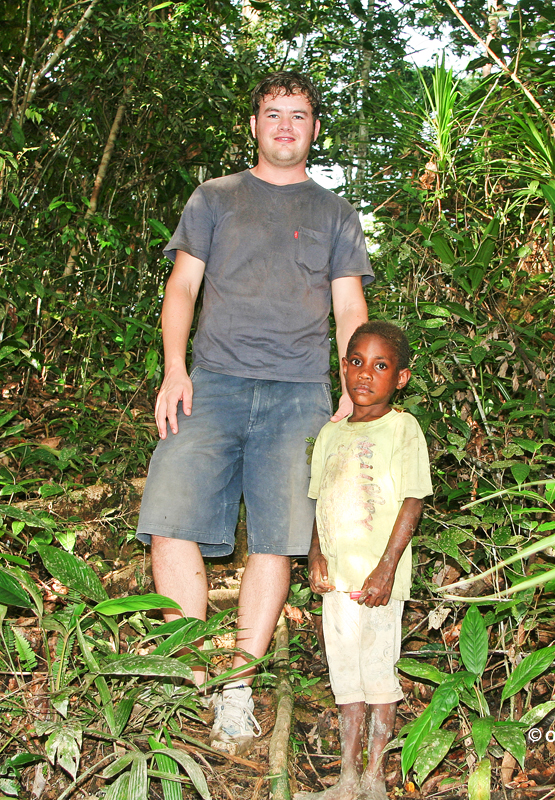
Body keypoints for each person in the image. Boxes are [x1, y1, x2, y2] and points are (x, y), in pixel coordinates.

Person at [135, 70, 372, 755]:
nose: (286, 126)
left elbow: (349, 306)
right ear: (254, 124)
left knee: (278, 535)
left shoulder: (333, 212)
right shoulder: (216, 198)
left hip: (299, 391)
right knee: (169, 516)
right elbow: (182, 287)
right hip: (210, 382)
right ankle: (188, 669)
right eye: (274, 114)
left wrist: (351, 393)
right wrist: (175, 368)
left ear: (315, 129)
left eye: (299, 116)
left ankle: (235, 686)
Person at [303, 321, 432, 800]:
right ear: (343, 368)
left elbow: (412, 501)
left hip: (379, 583)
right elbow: (320, 503)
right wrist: (316, 555)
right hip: (338, 585)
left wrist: (386, 567)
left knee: (378, 676)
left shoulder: (402, 428)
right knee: (345, 681)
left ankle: (375, 778)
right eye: (356, 362)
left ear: (400, 377)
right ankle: (346, 780)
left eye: (380, 365)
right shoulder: (330, 434)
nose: (365, 374)